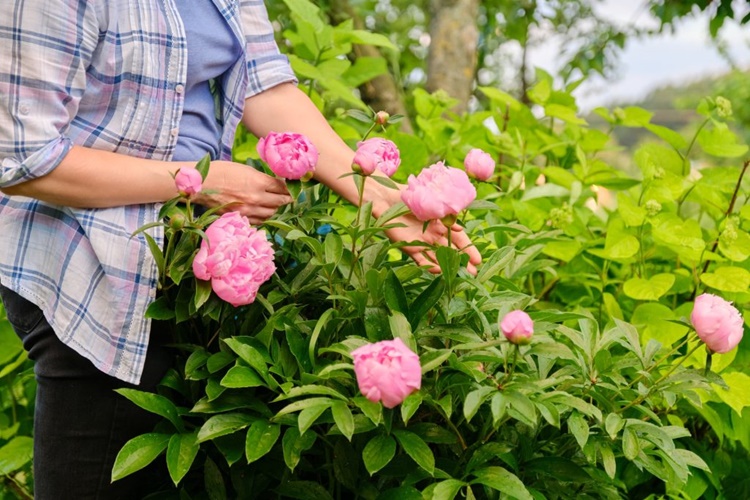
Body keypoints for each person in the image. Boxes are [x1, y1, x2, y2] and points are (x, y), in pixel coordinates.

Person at [0, 0, 481, 497]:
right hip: (92, 268)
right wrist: (197, 182)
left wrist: (378, 196)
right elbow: (23, 159)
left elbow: (264, 84)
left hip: (198, 262)